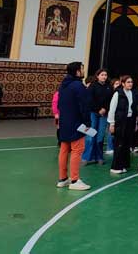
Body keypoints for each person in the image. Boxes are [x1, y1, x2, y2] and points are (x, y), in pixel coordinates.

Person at [56, 62, 91, 191]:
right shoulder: (78, 86)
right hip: (76, 122)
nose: (83, 71)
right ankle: (75, 180)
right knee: (77, 150)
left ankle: (63, 178)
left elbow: (59, 104)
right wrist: (87, 123)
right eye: (81, 69)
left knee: (64, 149)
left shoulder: (63, 85)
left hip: (64, 122)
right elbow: (84, 106)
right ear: (77, 71)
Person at [108, 76, 138, 174]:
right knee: (119, 144)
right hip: (120, 122)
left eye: (131, 82)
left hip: (130, 121)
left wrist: (135, 123)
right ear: (123, 83)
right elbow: (112, 109)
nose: (130, 84)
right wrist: (112, 124)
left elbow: (135, 109)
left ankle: (123, 164)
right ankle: (115, 167)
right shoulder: (118, 94)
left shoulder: (133, 94)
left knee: (127, 144)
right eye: (128, 82)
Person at [82, 69, 112, 165]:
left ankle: (99, 157)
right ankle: (86, 157)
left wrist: (104, 109)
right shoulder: (92, 86)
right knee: (90, 135)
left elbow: (111, 101)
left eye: (105, 75)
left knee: (100, 137)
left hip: (104, 115)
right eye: (102, 75)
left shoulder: (109, 87)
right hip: (93, 113)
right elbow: (90, 100)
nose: (104, 76)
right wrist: (98, 109)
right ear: (97, 76)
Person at [105, 78, 121, 155]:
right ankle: (109, 147)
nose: (118, 85)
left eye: (119, 84)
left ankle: (114, 146)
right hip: (110, 115)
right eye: (116, 84)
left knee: (116, 132)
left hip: (118, 115)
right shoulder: (110, 93)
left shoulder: (120, 93)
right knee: (110, 132)